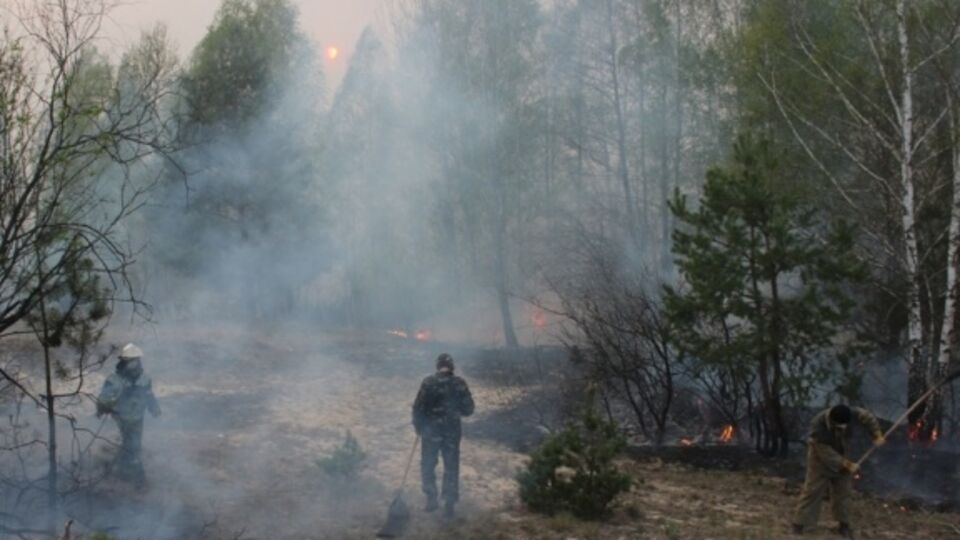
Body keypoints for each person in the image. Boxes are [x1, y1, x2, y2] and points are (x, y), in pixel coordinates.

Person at [792, 404, 884, 538]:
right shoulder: (818, 424)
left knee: (843, 493)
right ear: (833, 421)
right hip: (820, 460)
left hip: (842, 451)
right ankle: (800, 524)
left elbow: (868, 418)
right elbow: (824, 451)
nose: (844, 428)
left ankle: (844, 525)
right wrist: (845, 464)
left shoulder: (852, 413)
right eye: (840, 426)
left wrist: (876, 433)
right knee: (812, 492)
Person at [412, 353, 474, 519]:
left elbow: (418, 408)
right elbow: (469, 409)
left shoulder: (428, 382)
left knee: (428, 464)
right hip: (452, 433)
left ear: (438, 366)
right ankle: (449, 504)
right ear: (451, 367)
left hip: (430, 432)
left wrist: (418, 427)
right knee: (451, 467)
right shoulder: (459, 383)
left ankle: (431, 498)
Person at [96, 343, 161, 487]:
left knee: (131, 444)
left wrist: (154, 407)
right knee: (133, 444)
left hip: (138, 416)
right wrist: (103, 407)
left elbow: (149, 394)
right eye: (130, 361)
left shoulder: (145, 378)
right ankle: (138, 478)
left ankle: (118, 468)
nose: (133, 364)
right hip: (121, 416)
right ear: (123, 362)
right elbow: (103, 398)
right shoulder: (114, 380)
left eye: (136, 360)